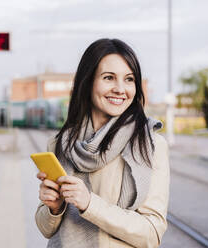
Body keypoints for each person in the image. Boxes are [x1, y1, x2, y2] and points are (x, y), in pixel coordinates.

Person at [35, 38, 170, 248]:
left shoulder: (151, 145)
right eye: (109, 78)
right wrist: (54, 208)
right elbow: (46, 229)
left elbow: (152, 234)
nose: (120, 89)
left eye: (129, 79)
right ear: (88, 82)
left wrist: (90, 204)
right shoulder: (60, 144)